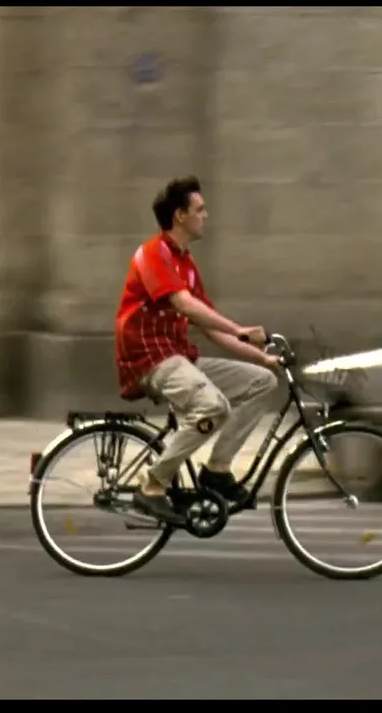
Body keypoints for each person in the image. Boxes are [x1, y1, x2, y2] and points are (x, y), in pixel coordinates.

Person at [114, 176, 280, 522]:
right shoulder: (152, 253)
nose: (207, 215)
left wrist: (263, 358)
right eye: (200, 209)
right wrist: (240, 330)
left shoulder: (186, 265)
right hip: (149, 357)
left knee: (263, 382)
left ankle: (217, 470)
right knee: (212, 406)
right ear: (180, 215)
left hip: (177, 356)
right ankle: (152, 483)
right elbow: (184, 305)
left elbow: (208, 326)